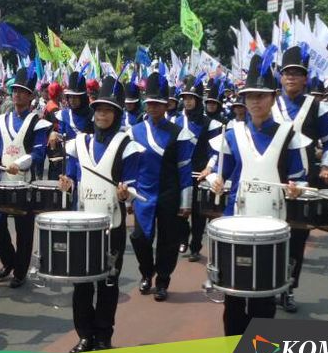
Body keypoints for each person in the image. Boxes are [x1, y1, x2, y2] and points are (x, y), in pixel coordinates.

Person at [206, 52, 309, 336]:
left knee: (264, 302)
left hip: (272, 225)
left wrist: (296, 189)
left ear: (272, 98)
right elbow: (218, 171)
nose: (254, 102)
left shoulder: (289, 134)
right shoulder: (231, 133)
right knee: (235, 299)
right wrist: (216, 180)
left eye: (261, 96)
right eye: (250, 96)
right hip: (236, 222)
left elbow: (300, 179)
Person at [59, 75, 141, 352]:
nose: (102, 114)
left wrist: (124, 193)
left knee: (108, 282)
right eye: (99, 109)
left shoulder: (127, 145)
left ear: (116, 114)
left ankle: (104, 335)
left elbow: (131, 186)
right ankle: (85, 335)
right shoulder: (78, 143)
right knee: (81, 284)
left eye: (108, 110)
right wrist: (67, 183)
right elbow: (71, 177)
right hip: (82, 223)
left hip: (112, 224)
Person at [270, 46, 328, 313]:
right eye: (287, 74)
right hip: (273, 180)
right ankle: (269, 285)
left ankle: (288, 289)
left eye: (297, 74)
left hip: (304, 182)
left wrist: (326, 166)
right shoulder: (271, 104)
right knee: (271, 237)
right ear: (281, 77)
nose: (291, 79)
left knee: (297, 239)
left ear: (305, 78)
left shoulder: (316, 107)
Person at [128, 71, 193, 302]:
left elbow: (185, 170)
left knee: (168, 240)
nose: (153, 108)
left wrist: (186, 202)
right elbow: (130, 167)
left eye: (158, 104)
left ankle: (163, 280)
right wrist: (129, 197)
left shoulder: (179, 133)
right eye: (150, 103)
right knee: (139, 238)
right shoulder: (135, 131)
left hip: (169, 193)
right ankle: (147, 273)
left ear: (166, 106)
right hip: (143, 194)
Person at [0, 67, 51, 288]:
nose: (18, 94)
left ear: (31, 96)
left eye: (23, 91)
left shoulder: (38, 123)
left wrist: (19, 164)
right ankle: (9, 260)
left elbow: (38, 153)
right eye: (15, 90)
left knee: (24, 229)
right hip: (0, 180)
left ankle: (20, 272)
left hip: (25, 183)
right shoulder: (0, 120)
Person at [171, 74, 211, 261]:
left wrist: (209, 168)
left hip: (200, 173)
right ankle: (182, 238)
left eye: (191, 98)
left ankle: (196, 246)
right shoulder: (176, 121)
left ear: (198, 100)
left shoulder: (208, 123)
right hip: (181, 175)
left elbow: (214, 151)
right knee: (179, 213)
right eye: (185, 98)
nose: (187, 102)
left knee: (198, 214)